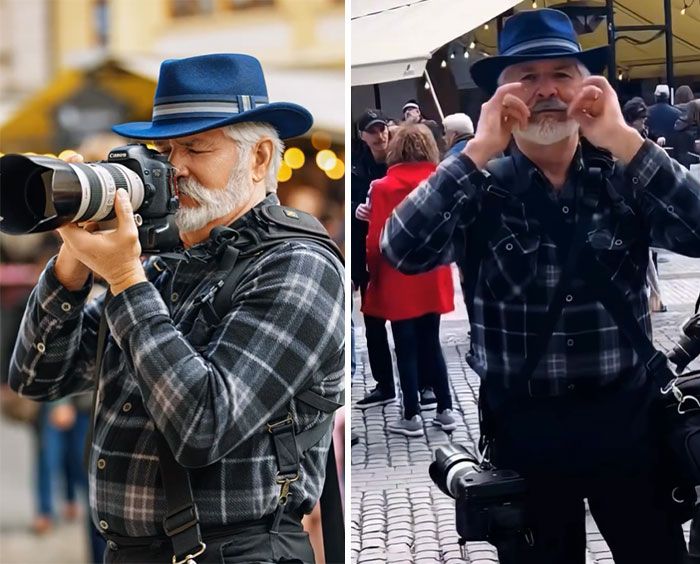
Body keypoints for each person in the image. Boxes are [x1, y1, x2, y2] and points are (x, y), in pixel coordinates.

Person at [381, 8, 700, 564]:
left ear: (588, 87)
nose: (547, 90)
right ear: (501, 97)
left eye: (562, 74)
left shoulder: (627, 171)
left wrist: (625, 139)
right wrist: (475, 149)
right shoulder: (477, 185)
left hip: (629, 420)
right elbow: (400, 249)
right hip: (525, 428)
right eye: (527, 77)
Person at [8, 53, 344, 564]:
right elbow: (38, 379)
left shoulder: (298, 266)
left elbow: (203, 424)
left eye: (195, 148)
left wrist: (124, 277)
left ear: (258, 159)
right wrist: (71, 265)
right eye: (163, 150)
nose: (174, 168)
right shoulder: (169, 264)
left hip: (232, 554)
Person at [359, 124, 456, 437]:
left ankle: (411, 414)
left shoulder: (383, 187)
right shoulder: (441, 181)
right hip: (434, 273)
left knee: (405, 346)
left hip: (397, 276)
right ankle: (445, 409)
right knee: (432, 343)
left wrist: (373, 276)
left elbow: (375, 242)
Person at [351, 110, 398, 409]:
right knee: (373, 322)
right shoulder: (357, 165)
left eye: (382, 128)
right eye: (372, 131)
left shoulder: (400, 158)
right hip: (368, 253)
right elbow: (351, 202)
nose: (379, 135)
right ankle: (384, 383)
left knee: (409, 321)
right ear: (362, 136)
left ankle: (424, 383)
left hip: (400, 250)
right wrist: (355, 208)